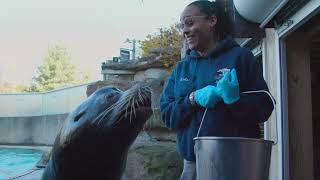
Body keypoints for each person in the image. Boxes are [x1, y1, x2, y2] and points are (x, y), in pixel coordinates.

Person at [159, 1, 274, 180]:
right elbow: (167, 115)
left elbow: (265, 108)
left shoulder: (240, 57)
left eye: (190, 23)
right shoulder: (182, 69)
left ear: (212, 20)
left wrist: (236, 100)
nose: (185, 31)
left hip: (236, 162)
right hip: (192, 165)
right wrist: (192, 99)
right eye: (182, 26)